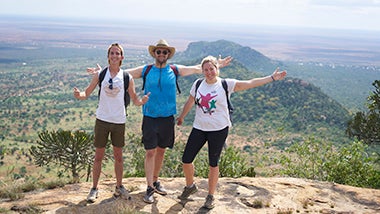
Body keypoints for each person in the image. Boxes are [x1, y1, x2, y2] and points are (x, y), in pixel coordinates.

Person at [118, 39, 232, 204]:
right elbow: (123, 74)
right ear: (154, 54)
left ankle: (155, 181)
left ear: (168, 55)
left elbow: (197, 69)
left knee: (161, 150)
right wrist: (105, 71)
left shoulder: (174, 69)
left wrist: (217, 64)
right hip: (149, 116)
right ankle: (149, 187)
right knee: (150, 152)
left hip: (167, 118)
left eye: (165, 52)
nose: (162, 54)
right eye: (159, 52)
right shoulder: (146, 70)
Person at [176, 55, 287, 209]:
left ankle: (210, 196)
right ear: (202, 71)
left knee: (213, 163)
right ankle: (190, 186)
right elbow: (190, 101)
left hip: (219, 130)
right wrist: (181, 117)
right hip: (199, 127)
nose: (209, 72)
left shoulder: (225, 84)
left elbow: (249, 83)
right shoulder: (198, 84)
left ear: (217, 69)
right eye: (206, 70)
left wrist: (271, 78)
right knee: (186, 159)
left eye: (211, 69)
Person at [73, 43, 149, 203]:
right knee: (98, 157)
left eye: (117, 53)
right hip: (102, 120)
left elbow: (134, 99)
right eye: (112, 53)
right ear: (108, 56)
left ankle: (119, 186)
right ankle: (94, 188)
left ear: (122, 57)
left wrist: (141, 101)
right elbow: (86, 93)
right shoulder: (101, 74)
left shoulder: (127, 77)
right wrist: (78, 95)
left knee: (118, 157)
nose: (114, 56)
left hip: (119, 121)